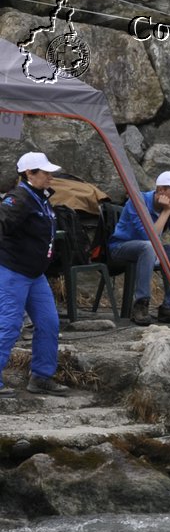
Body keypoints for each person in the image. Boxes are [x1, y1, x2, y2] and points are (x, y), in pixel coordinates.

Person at [0, 151, 71, 397]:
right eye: (45, 172)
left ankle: (41, 377)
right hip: (12, 271)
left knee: (49, 323)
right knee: (8, 325)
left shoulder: (40, 197)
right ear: (29, 174)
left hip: (34, 274)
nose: (50, 176)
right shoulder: (19, 197)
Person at [108, 170, 170, 326]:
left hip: (151, 248)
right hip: (121, 247)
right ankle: (141, 304)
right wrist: (166, 211)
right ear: (161, 190)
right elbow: (148, 236)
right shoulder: (138, 201)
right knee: (148, 246)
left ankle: (169, 306)